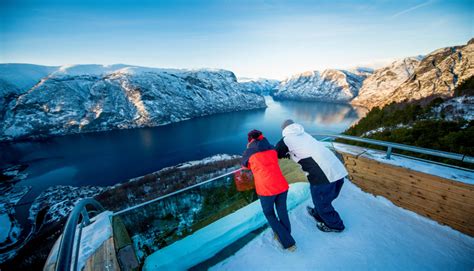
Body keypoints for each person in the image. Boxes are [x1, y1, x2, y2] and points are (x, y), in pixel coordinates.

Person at [276, 119, 348, 232]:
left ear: (284, 129)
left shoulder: (286, 140)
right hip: (338, 170)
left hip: (323, 175)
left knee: (322, 202)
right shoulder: (304, 134)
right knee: (322, 199)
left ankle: (336, 226)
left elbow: (274, 154)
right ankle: (318, 213)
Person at [242, 129, 297, 251]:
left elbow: (244, 165)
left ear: (250, 140)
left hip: (266, 189)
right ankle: (285, 235)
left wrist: (249, 148)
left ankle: (288, 242)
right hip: (281, 185)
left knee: (269, 214)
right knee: (282, 211)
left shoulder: (249, 151)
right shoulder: (271, 147)